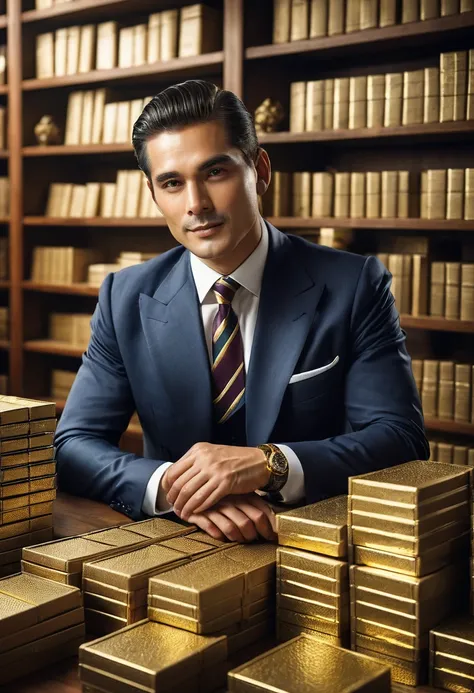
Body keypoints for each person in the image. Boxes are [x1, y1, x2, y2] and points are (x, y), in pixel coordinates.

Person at [55, 79, 429, 543]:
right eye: (172, 183)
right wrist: (176, 489)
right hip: (174, 542)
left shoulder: (354, 285)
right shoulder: (123, 297)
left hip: (310, 547)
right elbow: (72, 446)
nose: (197, 205)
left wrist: (267, 464)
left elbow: (401, 440)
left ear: (260, 170)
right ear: (154, 195)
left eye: (215, 172)